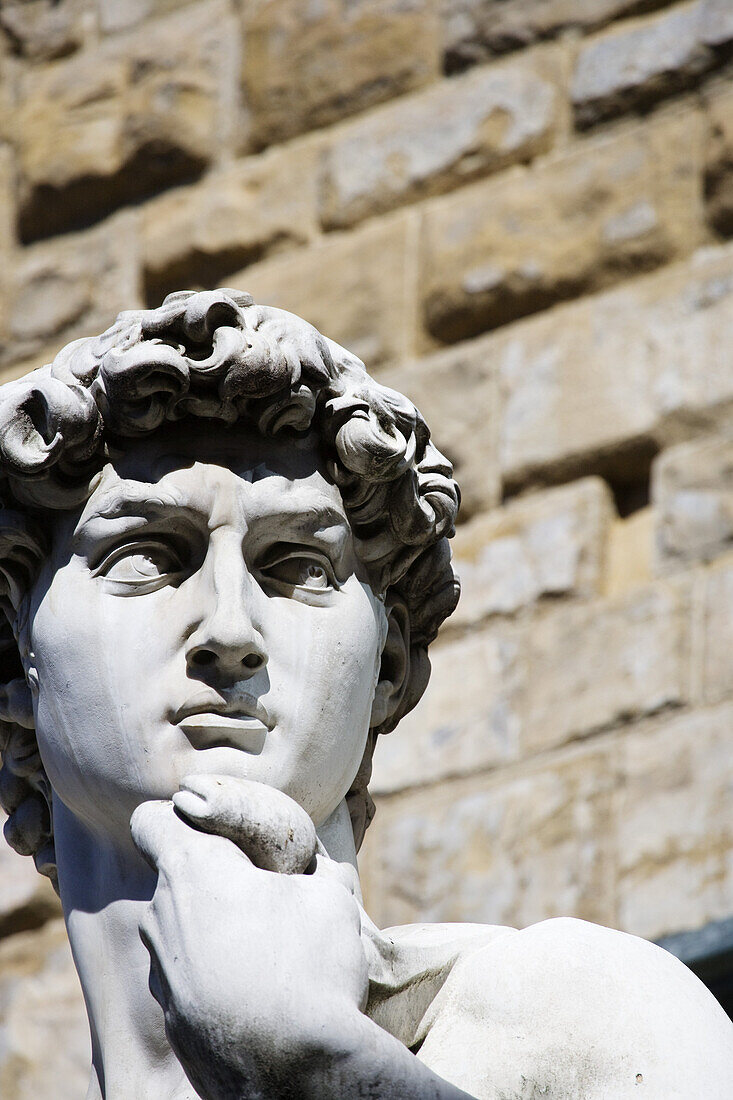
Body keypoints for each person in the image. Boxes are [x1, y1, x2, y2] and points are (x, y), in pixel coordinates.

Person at [0, 288, 730, 1100]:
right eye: (146, 555)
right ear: (13, 660)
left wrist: (310, 1064)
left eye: (299, 567)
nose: (230, 630)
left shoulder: (578, 1021)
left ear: (385, 669)